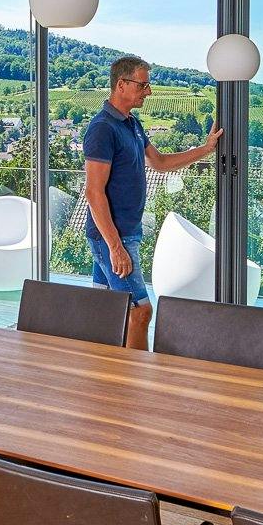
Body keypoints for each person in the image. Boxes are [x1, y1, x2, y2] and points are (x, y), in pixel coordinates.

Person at [83, 55, 222, 349]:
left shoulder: (131, 124)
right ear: (121, 85)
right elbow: (94, 193)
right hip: (112, 237)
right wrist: (115, 247)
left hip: (123, 234)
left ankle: (106, 381)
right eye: (143, 85)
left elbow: (159, 162)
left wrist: (205, 149)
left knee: (106, 312)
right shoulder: (102, 128)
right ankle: (134, 387)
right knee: (141, 311)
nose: (149, 92)